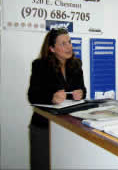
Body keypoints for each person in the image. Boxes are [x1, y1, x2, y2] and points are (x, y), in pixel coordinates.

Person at [28, 28, 86, 170]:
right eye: (63, 44)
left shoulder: (76, 65)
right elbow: (32, 95)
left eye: (69, 42)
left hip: (69, 127)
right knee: (42, 165)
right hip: (44, 127)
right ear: (52, 48)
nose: (69, 47)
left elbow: (83, 90)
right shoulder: (40, 65)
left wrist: (81, 94)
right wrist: (51, 98)